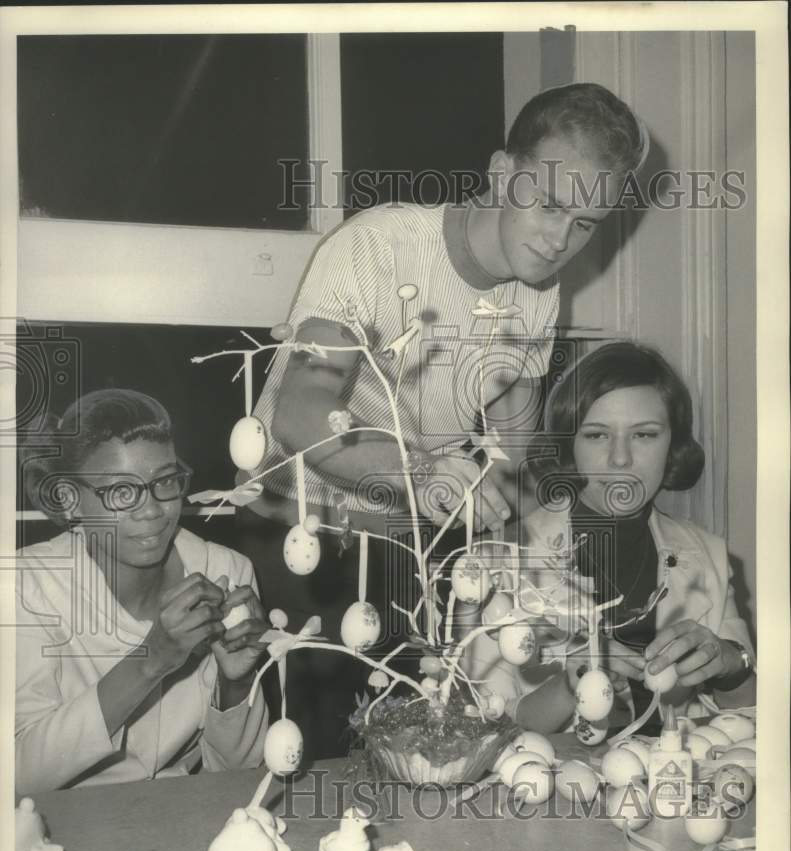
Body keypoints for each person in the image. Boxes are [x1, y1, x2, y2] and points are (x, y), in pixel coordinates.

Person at [238, 83, 649, 756]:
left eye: (584, 224)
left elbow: (510, 460)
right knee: (312, 764)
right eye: (548, 203)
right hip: (294, 529)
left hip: (409, 540)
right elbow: (299, 415)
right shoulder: (377, 248)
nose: (558, 240)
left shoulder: (538, 295)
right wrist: (426, 470)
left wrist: (544, 575)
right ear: (499, 173)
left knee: (431, 748)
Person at [467, 342, 756, 734]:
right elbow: (480, 727)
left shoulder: (709, 555)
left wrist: (728, 665)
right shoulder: (498, 561)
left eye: (644, 435)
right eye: (598, 436)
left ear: (673, 446)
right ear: (569, 444)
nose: (621, 459)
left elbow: (749, 718)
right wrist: (571, 686)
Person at [15, 389, 270, 795]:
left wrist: (236, 683)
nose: (152, 510)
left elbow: (240, 774)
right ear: (68, 500)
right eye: (120, 490)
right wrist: (150, 663)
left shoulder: (226, 571)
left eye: (165, 481)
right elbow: (18, 776)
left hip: (182, 822)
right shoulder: (27, 584)